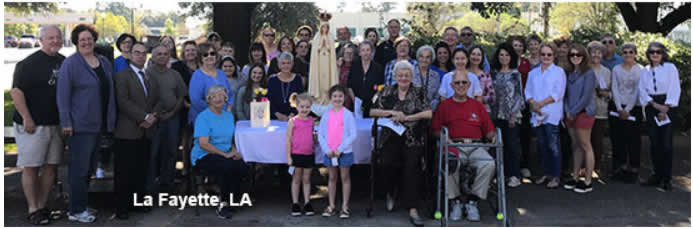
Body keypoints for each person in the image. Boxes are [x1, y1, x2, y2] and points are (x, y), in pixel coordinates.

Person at [57, 24, 116, 223]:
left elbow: (110, 92)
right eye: (82, 39)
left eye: (89, 38)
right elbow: (63, 96)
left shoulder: (103, 62)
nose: (86, 42)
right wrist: (66, 121)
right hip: (79, 125)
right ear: (76, 42)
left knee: (90, 168)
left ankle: (81, 203)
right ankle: (76, 210)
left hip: (99, 125)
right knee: (79, 170)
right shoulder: (71, 64)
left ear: (94, 40)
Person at [11, 25, 65, 225]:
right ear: (41, 40)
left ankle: (42, 206)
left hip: (55, 124)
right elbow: (16, 92)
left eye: (58, 37)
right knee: (32, 167)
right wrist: (27, 117)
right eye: (50, 37)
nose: (55, 41)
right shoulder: (28, 63)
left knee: (51, 167)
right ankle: (32, 208)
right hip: (33, 125)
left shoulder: (63, 62)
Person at [370, 61, 432, 226]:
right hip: (390, 136)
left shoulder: (419, 91)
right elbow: (372, 111)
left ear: (411, 77)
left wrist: (408, 117)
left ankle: (412, 208)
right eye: (400, 75)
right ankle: (391, 191)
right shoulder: (386, 91)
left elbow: (428, 113)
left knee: (412, 166)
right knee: (386, 163)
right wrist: (391, 112)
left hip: (413, 137)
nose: (404, 78)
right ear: (395, 76)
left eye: (407, 75)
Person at [432, 71, 496, 223]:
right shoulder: (444, 105)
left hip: (476, 146)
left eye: (464, 83)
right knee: (450, 162)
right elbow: (435, 130)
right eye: (457, 83)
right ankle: (456, 202)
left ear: (469, 85)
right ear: (451, 85)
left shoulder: (477, 105)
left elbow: (489, 129)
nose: (461, 85)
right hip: (454, 145)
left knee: (489, 164)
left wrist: (493, 136)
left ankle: (472, 201)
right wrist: (443, 137)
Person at [112, 41, 161, 219]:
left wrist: (153, 116)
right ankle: (122, 207)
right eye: (137, 53)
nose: (140, 56)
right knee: (124, 172)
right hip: (127, 131)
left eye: (143, 53)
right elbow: (123, 101)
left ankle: (137, 202)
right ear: (131, 55)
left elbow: (157, 100)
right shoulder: (122, 76)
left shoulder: (149, 76)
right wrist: (143, 117)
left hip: (146, 132)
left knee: (141, 170)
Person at [191, 85, 249, 219]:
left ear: (226, 98)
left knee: (242, 165)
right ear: (209, 99)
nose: (218, 99)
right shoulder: (203, 117)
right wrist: (225, 155)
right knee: (227, 166)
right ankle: (223, 203)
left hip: (226, 153)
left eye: (222, 96)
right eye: (214, 96)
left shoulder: (228, 116)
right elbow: (203, 144)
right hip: (204, 155)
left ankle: (234, 199)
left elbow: (231, 139)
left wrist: (235, 151)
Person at [639, 42, 680, 192]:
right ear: (648, 54)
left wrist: (666, 107)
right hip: (652, 105)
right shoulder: (645, 71)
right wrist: (655, 106)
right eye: (652, 52)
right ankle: (657, 175)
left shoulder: (670, 68)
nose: (655, 54)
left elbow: (674, 87)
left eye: (658, 52)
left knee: (666, 143)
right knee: (654, 142)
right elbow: (642, 90)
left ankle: (667, 178)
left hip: (667, 106)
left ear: (663, 54)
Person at [146, 44, 188, 194]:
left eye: (165, 54)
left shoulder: (175, 74)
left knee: (170, 152)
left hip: (172, 118)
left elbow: (181, 96)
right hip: (153, 119)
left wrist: (172, 113)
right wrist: (156, 114)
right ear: (153, 57)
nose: (163, 56)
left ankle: (168, 185)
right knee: (153, 153)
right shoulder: (147, 74)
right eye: (159, 54)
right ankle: (150, 187)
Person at [525, 42, 566, 189]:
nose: (546, 57)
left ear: (554, 55)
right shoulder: (533, 73)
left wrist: (540, 104)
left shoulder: (559, 72)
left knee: (553, 145)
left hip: (551, 114)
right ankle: (546, 173)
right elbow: (527, 91)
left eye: (549, 54)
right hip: (536, 114)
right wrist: (532, 103)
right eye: (543, 54)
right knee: (541, 145)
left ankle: (555, 176)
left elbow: (557, 94)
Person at [562, 44, 597, 194]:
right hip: (570, 113)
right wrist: (567, 111)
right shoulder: (569, 73)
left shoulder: (589, 73)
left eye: (578, 55)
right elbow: (565, 95)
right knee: (575, 145)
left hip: (584, 112)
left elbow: (586, 96)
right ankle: (575, 176)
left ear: (584, 57)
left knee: (585, 145)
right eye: (572, 55)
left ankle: (588, 180)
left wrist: (574, 111)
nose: (575, 57)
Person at [318, 85, 357, 219]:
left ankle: (345, 206)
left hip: (344, 152)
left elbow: (352, 134)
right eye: (335, 96)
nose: (337, 99)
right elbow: (320, 134)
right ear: (330, 98)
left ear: (344, 97)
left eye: (340, 96)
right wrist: (327, 150)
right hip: (330, 153)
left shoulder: (348, 114)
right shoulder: (326, 115)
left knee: (345, 178)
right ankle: (331, 205)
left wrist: (340, 149)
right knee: (332, 178)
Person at [490, 43, 524, 188]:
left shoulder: (516, 74)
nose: (504, 58)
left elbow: (519, 96)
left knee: (512, 146)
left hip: (511, 116)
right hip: (496, 115)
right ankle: (499, 174)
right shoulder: (493, 74)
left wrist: (514, 115)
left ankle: (514, 175)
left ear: (512, 57)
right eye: (501, 55)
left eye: (507, 55)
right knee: (497, 146)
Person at [609, 43, 643, 184]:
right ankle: (620, 168)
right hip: (618, 107)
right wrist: (619, 108)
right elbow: (614, 88)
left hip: (634, 107)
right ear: (621, 54)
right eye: (625, 52)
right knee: (618, 138)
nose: (628, 55)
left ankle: (633, 169)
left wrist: (627, 109)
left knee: (633, 139)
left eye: (631, 52)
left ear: (635, 53)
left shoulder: (640, 69)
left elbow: (637, 90)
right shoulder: (616, 69)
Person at [188, 43, 233, 126]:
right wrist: (215, 112)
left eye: (212, 53)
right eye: (205, 54)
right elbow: (196, 100)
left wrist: (228, 108)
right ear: (200, 58)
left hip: (223, 117)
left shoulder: (221, 73)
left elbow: (229, 93)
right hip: (204, 120)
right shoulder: (197, 75)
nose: (209, 56)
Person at [286, 93, 316, 216]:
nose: (304, 109)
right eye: (302, 107)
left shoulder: (311, 121)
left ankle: (307, 202)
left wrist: (315, 138)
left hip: (309, 154)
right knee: (296, 179)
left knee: (307, 179)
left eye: (307, 107)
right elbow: (288, 139)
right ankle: (295, 203)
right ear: (296, 106)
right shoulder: (292, 121)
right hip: (296, 154)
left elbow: (313, 137)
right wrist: (288, 157)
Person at [587, 41, 612, 177]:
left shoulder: (607, 72)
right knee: (584, 141)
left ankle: (596, 167)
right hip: (585, 110)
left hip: (600, 110)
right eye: (593, 52)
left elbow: (611, 92)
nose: (596, 55)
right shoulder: (584, 69)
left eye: (599, 52)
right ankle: (583, 167)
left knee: (597, 140)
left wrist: (606, 93)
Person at [520, 34, 542, 179]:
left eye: (536, 44)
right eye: (531, 44)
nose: (533, 47)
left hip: (543, 101)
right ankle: (526, 164)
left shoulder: (545, 59)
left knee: (542, 134)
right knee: (526, 133)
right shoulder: (524, 62)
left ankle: (542, 166)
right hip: (527, 100)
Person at [309, 14, 340, 107]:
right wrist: (320, 45)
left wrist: (326, 45)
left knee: (327, 79)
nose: (324, 30)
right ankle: (319, 98)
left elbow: (331, 49)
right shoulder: (317, 37)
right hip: (319, 62)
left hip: (328, 62)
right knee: (320, 79)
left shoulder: (330, 37)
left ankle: (327, 98)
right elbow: (316, 49)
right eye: (323, 27)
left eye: (326, 28)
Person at [347, 41, 384, 118]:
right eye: (363, 50)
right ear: (359, 53)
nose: (365, 53)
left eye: (368, 50)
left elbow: (381, 87)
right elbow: (349, 86)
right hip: (356, 103)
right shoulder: (354, 67)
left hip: (372, 105)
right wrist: (355, 102)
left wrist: (374, 100)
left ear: (372, 52)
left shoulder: (378, 68)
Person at [267, 52, 305, 121]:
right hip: (275, 118)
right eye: (283, 63)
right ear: (279, 65)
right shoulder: (272, 79)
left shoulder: (297, 79)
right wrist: (277, 114)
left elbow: (300, 99)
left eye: (288, 63)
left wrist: (293, 114)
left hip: (293, 118)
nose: (286, 66)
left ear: (292, 64)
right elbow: (269, 99)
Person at [413, 45, 441, 111]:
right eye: (421, 56)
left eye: (428, 57)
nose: (424, 60)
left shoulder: (435, 75)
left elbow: (437, 97)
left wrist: (430, 109)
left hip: (430, 112)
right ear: (418, 58)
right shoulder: (410, 73)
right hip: (412, 112)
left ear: (432, 59)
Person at [468, 45, 494, 114]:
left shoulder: (486, 75)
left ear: (482, 58)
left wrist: (478, 99)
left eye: (478, 55)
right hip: (464, 111)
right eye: (473, 54)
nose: (475, 57)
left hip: (483, 111)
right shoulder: (462, 74)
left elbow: (492, 97)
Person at [337, 43, 356, 110]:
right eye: (347, 53)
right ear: (343, 54)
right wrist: (338, 67)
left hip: (353, 98)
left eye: (351, 53)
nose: (349, 55)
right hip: (340, 97)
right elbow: (336, 82)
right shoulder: (339, 66)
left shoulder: (357, 67)